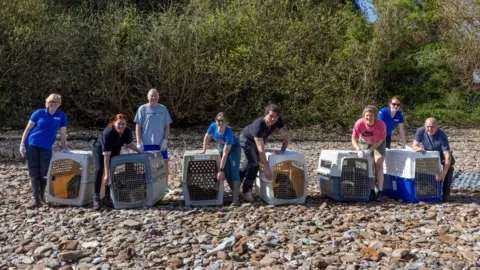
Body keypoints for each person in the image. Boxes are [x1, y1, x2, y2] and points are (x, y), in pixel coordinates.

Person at [20, 93, 68, 208]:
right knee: (34, 173)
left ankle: (42, 197)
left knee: (44, 174)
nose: (54, 104)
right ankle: (36, 200)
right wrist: (22, 144)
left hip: (46, 147)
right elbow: (28, 128)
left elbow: (63, 133)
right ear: (48, 102)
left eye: (56, 102)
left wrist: (64, 146)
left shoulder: (61, 115)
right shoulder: (39, 113)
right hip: (32, 144)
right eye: (52, 102)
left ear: (59, 104)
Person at [91, 114, 147, 210]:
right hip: (100, 149)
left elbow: (130, 144)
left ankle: (107, 196)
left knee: (113, 170)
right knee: (100, 169)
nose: (121, 126)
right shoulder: (107, 133)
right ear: (114, 123)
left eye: (123, 124)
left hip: (115, 149)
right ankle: (96, 197)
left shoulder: (127, 131)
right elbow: (106, 156)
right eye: (119, 123)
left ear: (126, 124)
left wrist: (141, 152)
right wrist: (106, 175)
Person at [239, 104, 290, 202]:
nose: (273, 119)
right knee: (254, 164)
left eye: (275, 117)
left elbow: (286, 136)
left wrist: (282, 150)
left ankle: (236, 179)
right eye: (271, 116)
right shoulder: (258, 125)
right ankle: (246, 191)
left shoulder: (278, 121)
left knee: (249, 163)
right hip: (247, 140)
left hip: (259, 140)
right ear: (266, 114)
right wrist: (266, 168)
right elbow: (261, 149)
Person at [199, 112, 241, 205]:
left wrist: (220, 170)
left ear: (226, 122)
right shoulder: (213, 126)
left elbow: (225, 154)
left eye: (223, 121)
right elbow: (207, 137)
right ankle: (236, 191)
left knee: (234, 169)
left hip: (233, 147)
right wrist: (204, 150)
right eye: (218, 121)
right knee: (227, 170)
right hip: (221, 146)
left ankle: (235, 199)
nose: (220, 123)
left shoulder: (228, 133)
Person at [135, 88, 173, 190]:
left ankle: (165, 185)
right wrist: (138, 142)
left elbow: (167, 126)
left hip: (160, 143)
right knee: (146, 165)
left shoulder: (163, 109)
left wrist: (165, 140)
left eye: (155, 95)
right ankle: (146, 185)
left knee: (164, 162)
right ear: (148, 97)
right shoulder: (142, 109)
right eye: (151, 95)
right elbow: (138, 126)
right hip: (146, 143)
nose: (153, 97)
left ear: (158, 96)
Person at [411, 118, 454, 202]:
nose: (430, 129)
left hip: (441, 155)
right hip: (427, 154)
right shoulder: (420, 131)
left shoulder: (441, 134)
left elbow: (447, 155)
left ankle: (446, 193)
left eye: (432, 127)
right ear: (425, 126)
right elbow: (414, 145)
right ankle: (426, 191)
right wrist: (418, 149)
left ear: (436, 128)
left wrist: (443, 173)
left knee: (449, 169)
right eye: (428, 127)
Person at [352, 105, 387, 201]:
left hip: (378, 142)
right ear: (364, 116)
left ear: (375, 116)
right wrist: (358, 149)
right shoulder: (359, 124)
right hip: (364, 141)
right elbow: (353, 139)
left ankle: (380, 191)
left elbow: (380, 140)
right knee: (369, 164)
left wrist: (370, 150)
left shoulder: (381, 125)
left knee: (379, 163)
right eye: (367, 115)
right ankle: (371, 190)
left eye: (371, 115)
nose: (369, 118)